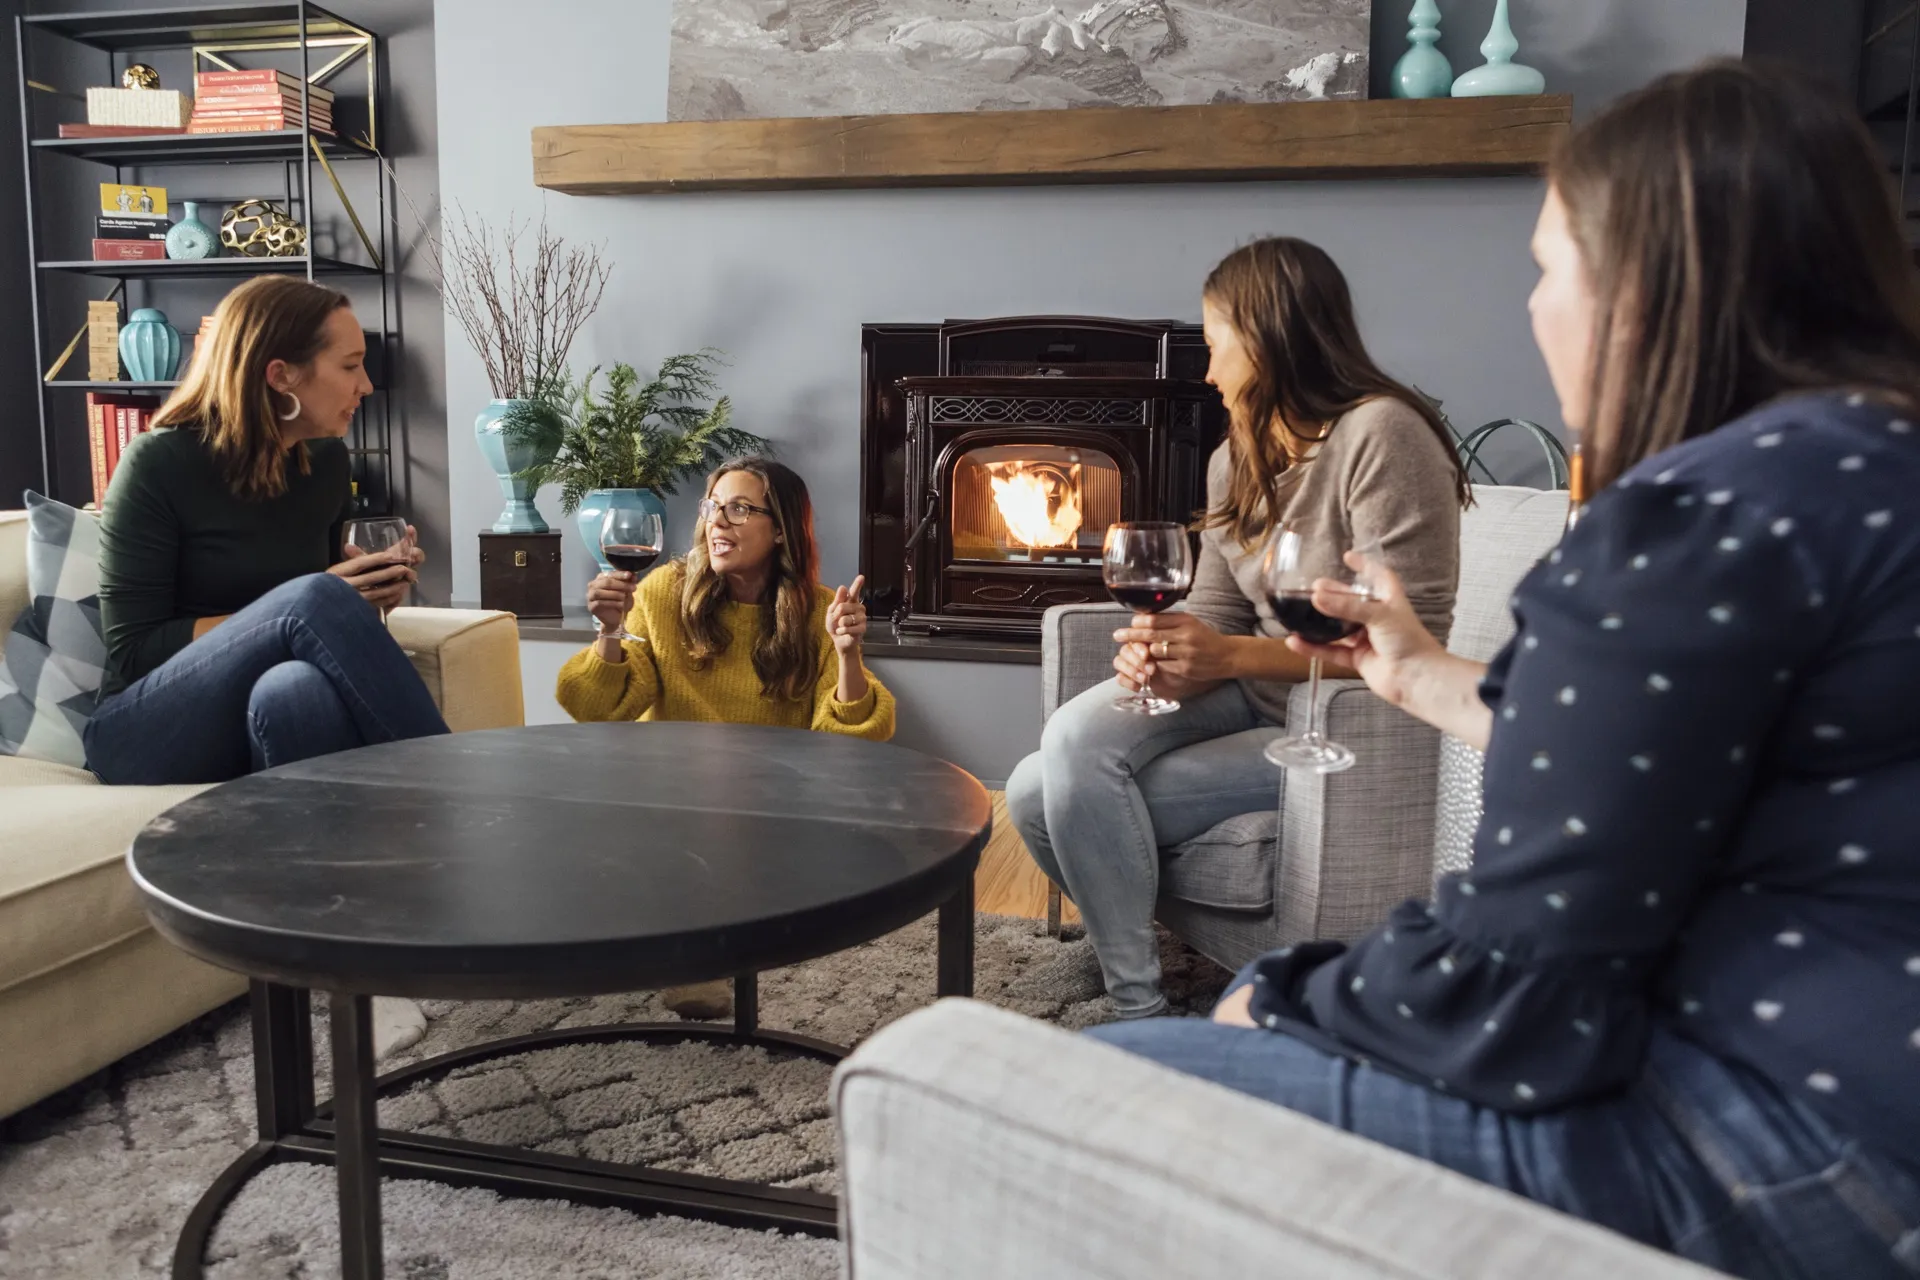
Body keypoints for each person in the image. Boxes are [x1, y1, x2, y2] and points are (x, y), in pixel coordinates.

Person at [1089, 62, 1920, 1278]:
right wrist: (1422, 675)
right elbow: (1667, 751)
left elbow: (1530, 981)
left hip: (1793, 1138)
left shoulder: (1702, 513)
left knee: (1017, 1094)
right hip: (1879, 1093)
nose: (1536, 310)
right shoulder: (1868, 470)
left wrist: (1283, 997)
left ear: (1647, 281)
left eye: (1546, 267)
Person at [1004, 236, 1470, 1019]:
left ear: (1265, 338)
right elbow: (1216, 614)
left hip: (1347, 723)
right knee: (1035, 779)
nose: (1209, 370)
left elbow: (1411, 643)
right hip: (1247, 700)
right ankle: (1137, 972)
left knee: (1062, 789)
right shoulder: (1237, 457)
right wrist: (1171, 652)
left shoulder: (1382, 436)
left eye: (1216, 346)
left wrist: (1226, 653)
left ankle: (1135, 1005)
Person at [556, 455, 895, 1018]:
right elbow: (597, 706)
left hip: (773, 807)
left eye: (740, 509)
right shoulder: (664, 592)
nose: (719, 521)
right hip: (671, 799)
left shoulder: (815, 612)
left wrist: (848, 653)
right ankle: (697, 945)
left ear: (781, 528)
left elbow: (854, 737)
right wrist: (610, 631)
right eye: (713, 507)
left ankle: (711, 939)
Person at [87, 275, 446, 787]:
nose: (365, 384)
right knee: (313, 598)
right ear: (281, 376)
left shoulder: (323, 462)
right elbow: (134, 650)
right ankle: (454, 790)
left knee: (296, 690)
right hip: (144, 728)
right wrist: (307, 604)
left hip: (255, 707)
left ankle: (324, 865)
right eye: (349, 366)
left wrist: (367, 590)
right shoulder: (158, 463)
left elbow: (317, 607)